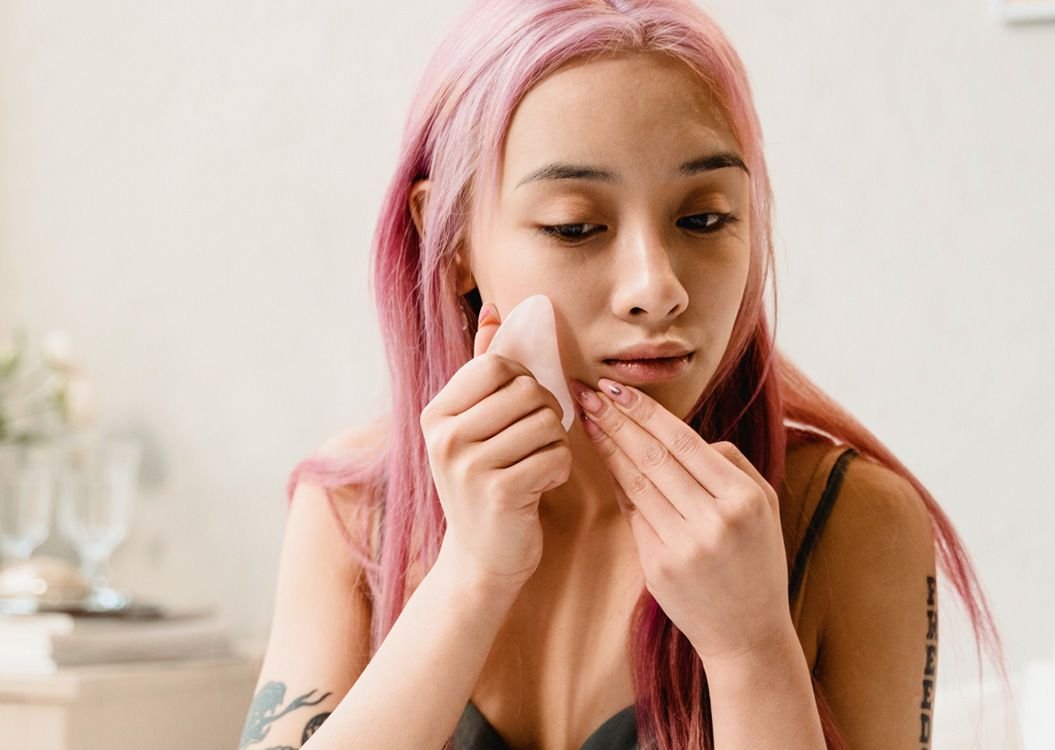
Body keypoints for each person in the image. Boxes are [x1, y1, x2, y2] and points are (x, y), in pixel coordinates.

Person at [239, 1, 1012, 749]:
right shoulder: (356, 509)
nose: (657, 288)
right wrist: (471, 576)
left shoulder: (850, 520)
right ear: (454, 242)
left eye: (704, 218)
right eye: (576, 226)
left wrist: (751, 652)